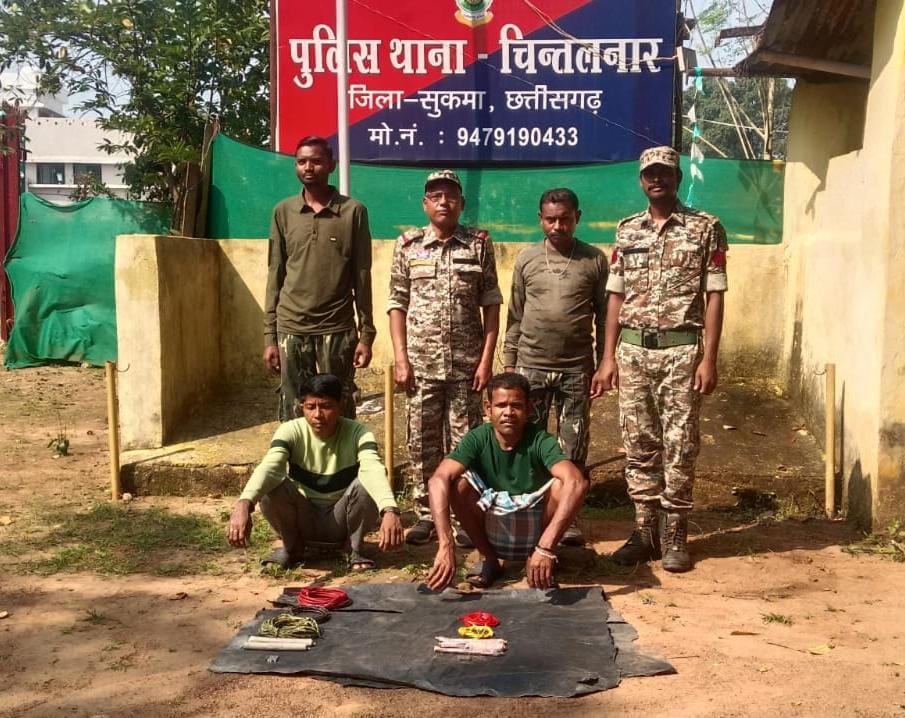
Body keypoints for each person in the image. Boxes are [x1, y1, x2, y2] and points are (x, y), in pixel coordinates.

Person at [594, 146, 728, 572]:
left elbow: (715, 295)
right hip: (633, 350)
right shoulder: (627, 230)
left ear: (678, 177)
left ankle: (675, 534)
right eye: (650, 174)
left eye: (665, 173)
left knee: (681, 443)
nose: (657, 179)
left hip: (681, 351)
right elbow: (615, 296)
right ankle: (644, 531)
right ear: (641, 180)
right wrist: (608, 357)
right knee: (639, 444)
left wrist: (709, 358)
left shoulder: (706, 227)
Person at [388, 169, 503, 546]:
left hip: (466, 367)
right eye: (436, 196)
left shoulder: (478, 244)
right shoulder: (408, 245)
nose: (443, 202)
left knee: (465, 442)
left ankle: (462, 513)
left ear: (461, 203)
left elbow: (491, 304)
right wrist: (401, 359)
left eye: (450, 196)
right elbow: (397, 304)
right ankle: (427, 513)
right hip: (420, 367)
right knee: (422, 442)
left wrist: (486, 360)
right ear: (425, 203)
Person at [503, 188, 608, 547]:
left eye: (565, 219)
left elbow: (604, 316)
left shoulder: (594, 260)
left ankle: (569, 516)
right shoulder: (527, 258)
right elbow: (515, 314)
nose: (558, 226)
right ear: (540, 220)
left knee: (572, 447)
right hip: (530, 366)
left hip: (576, 369)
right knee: (526, 442)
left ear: (578, 217)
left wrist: (604, 364)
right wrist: (510, 363)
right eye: (550, 219)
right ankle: (527, 511)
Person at [425, 373, 588, 591]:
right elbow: (437, 480)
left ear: (528, 409)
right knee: (457, 485)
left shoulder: (540, 440)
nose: (508, 412)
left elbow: (577, 482)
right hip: (494, 526)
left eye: (516, 406)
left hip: (535, 528)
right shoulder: (477, 438)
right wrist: (446, 545)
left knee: (562, 485)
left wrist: (546, 547)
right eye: (501, 405)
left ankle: (536, 558)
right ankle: (489, 559)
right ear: (488, 408)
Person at [226, 374, 403, 570]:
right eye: (311, 407)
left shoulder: (358, 433)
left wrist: (389, 510)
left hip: (341, 519)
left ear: (341, 405)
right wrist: (244, 504)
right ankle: (293, 548)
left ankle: (353, 548)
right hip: (304, 519)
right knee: (272, 486)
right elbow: (271, 466)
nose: (318, 415)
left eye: (326, 406)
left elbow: (373, 469)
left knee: (365, 484)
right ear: (301, 407)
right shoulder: (290, 430)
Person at [263, 136, 376, 420]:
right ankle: (299, 452)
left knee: (338, 408)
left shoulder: (353, 212)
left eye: (316, 161)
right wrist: (270, 337)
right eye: (301, 161)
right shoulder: (283, 212)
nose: (308, 167)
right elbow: (275, 273)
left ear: (331, 165)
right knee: (295, 409)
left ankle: (340, 452)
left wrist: (366, 335)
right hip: (291, 327)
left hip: (337, 329)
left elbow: (362, 276)